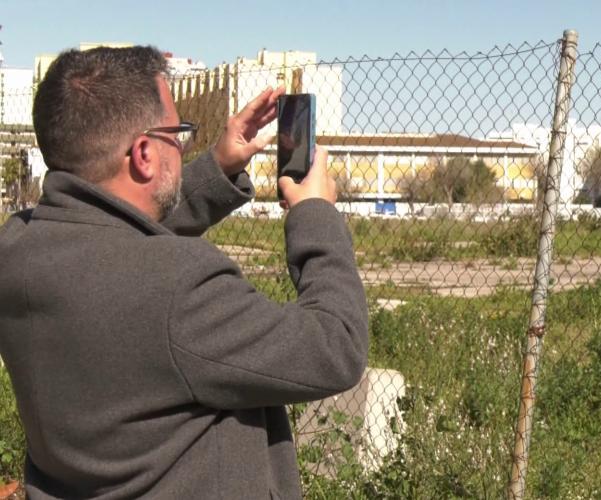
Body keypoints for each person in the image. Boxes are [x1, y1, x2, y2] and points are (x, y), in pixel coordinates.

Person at [0, 46, 368, 499]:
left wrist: (219, 165)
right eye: (178, 134)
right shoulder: (179, 287)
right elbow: (335, 346)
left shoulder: (18, 248)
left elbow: (109, 236)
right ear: (143, 154)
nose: (183, 143)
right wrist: (315, 214)